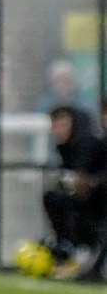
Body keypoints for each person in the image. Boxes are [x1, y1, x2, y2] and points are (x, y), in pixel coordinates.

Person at [43, 106, 107, 282]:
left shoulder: (86, 144)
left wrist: (88, 182)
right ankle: (70, 249)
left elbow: (86, 180)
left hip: (98, 204)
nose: (58, 130)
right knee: (54, 198)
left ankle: (90, 261)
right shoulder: (66, 148)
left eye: (63, 124)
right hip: (92, 204)